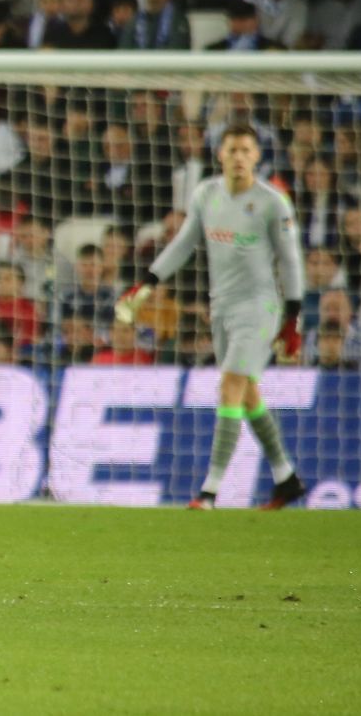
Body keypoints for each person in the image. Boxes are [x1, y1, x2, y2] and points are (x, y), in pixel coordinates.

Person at [117, 124, 307, 510]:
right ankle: (286, 478)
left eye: (246, 150)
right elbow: (184, 243)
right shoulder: (206, 194)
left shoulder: (272, 202)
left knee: (230, 386)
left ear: (257, 157)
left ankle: (210, 491)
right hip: (220, 306)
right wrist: (147, 282)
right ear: (219, 154)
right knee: (247, 393)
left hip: (260, 306)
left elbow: (290, 261)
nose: (239, 157)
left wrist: (293, 318)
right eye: (232, 149)